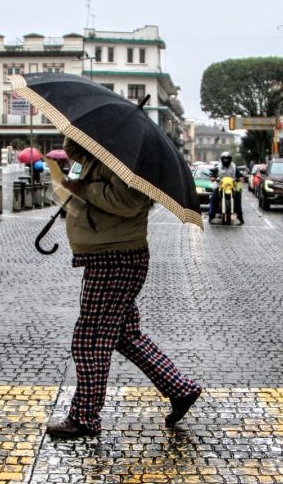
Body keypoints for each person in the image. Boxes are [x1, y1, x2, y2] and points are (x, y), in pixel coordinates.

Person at [45, 137, 202, 439]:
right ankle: (180, 389)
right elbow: (77, 152)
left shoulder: (128, 161)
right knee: (125, 335)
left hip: (114, 257)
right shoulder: (104, 149)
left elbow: (126, 202)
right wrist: (77, 133)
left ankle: (84, 418)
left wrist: (83, 189)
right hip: (109, 254)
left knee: (90, 338)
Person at [207, 151, 244, 224]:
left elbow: (240, 175)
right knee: (213, 197)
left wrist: (240, 178)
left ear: (230, 159)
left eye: (227, 159)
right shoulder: (218, 167)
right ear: (221, 159)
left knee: (238, 198)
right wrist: (212, 177)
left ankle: (240, 218)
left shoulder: (234, 166)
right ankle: (211, 217)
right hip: (220, 186)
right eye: (224, 159)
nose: (226, 161)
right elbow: (212, 175)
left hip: (233, 186)